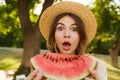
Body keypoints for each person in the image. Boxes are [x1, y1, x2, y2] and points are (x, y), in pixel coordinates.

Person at [27, 1, 107, 80]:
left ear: (80, 36)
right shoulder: (40, 68)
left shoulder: (98, 67)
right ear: (53, 35)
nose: (67, 34)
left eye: (74, 29)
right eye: (60, 28)